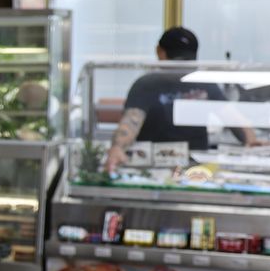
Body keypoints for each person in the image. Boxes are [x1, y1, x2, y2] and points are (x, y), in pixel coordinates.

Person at [104, 26, 254, 169]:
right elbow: (130, 124)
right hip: (157, 164)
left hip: (192, 165)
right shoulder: (147, 84)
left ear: (160, 52)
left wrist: (252, 142)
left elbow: (233, 119)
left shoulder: (202, 82)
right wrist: (117, 148)